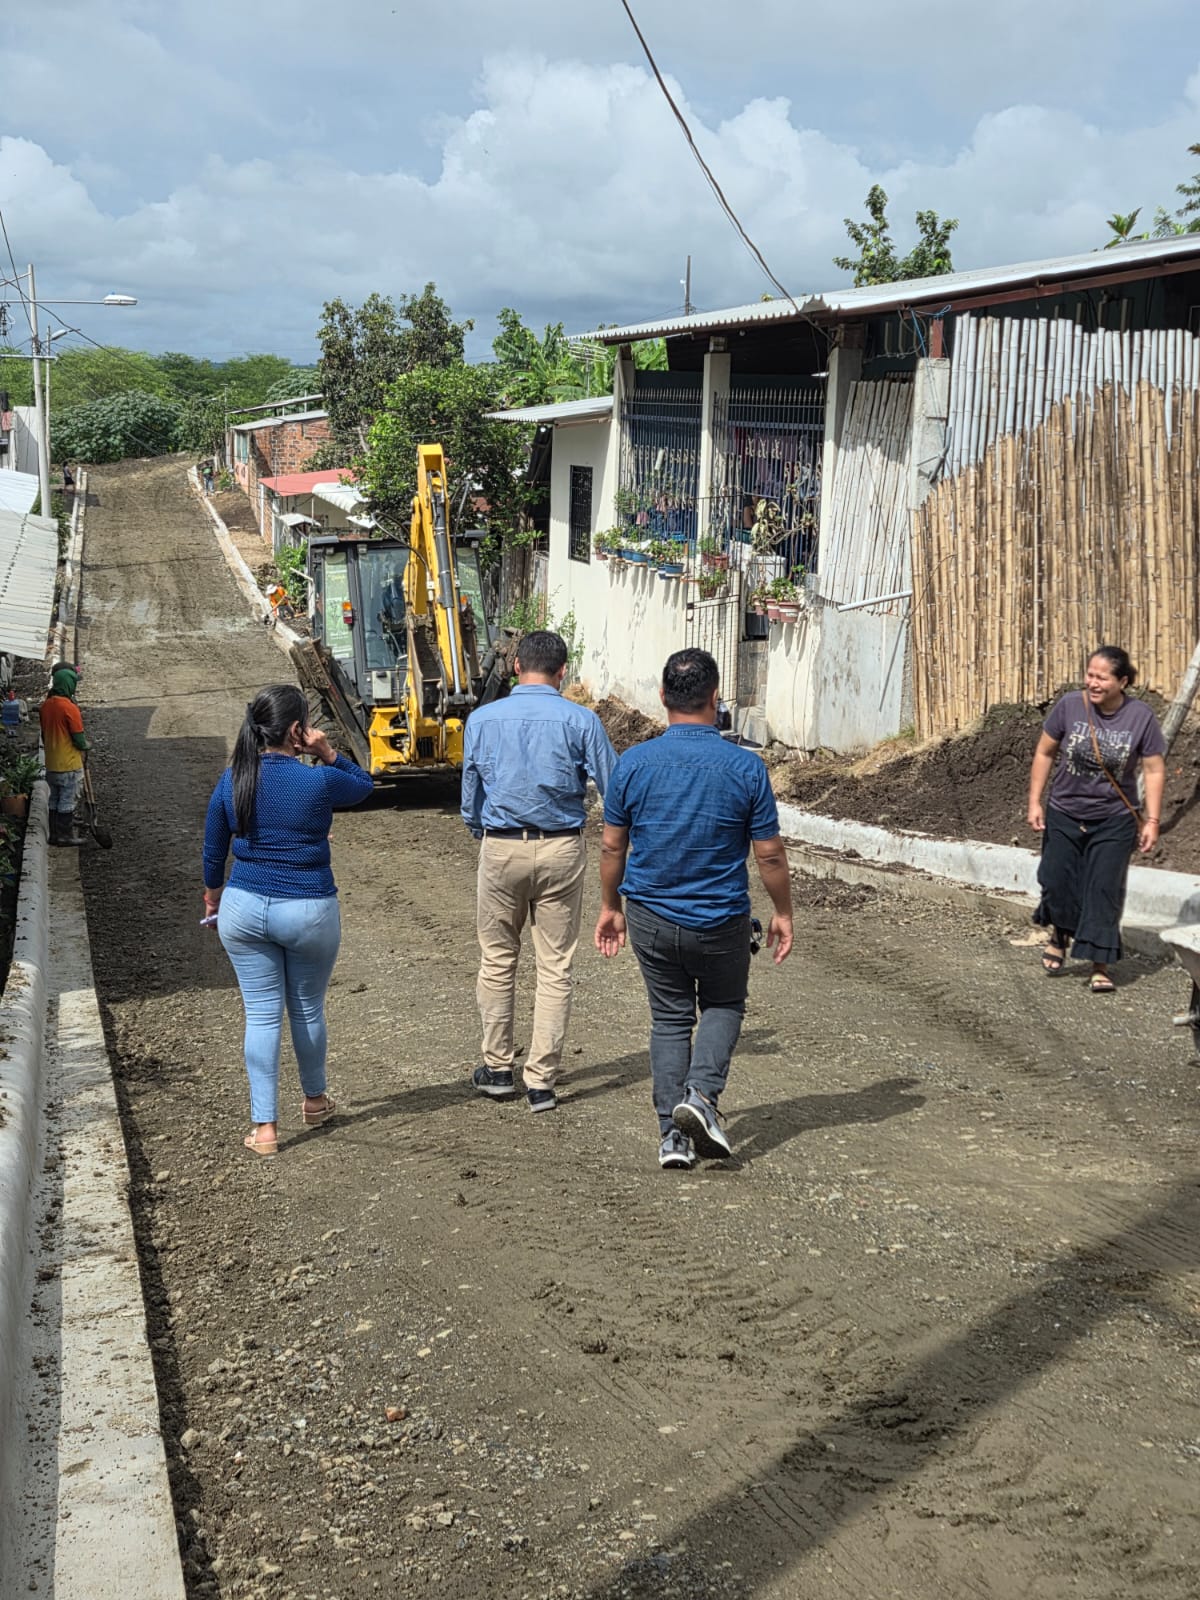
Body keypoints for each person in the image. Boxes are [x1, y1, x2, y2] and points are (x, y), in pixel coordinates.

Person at [595, 648, 794, 1169]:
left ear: (663, 696)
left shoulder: (633, 764)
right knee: (723, 1005)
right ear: (716, 697)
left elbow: (612, 846)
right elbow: (769, 854)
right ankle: (701, 1097)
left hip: (651, 916)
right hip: (721, 919)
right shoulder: (746, 767)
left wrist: (609, 906)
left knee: (669, 1018)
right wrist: (783, 912)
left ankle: (672, 1137)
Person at [203, 684, 373, 1155]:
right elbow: (364, 787)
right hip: (308, 908)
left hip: (243, 906)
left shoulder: (233, 779)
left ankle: (265, 1129)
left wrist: (213, 899)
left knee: (260, 1015)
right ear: (298, 730)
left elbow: (213, 849)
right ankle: (315, 1101)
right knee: (307, 1008)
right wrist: (328, 752)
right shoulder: (318, 781)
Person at [461, 630, 616, 1112]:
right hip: (561, 848)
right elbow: (614, 788)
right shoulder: (582, 720)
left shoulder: (481, 720)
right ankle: (542, 1081)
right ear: (562, 672)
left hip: (502, 847)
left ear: (515, 667)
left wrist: (483, 831)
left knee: (497, 959)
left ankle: (497, 1068)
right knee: (555, 965)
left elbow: (470, 795)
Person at [1027, 645, 1165, 993]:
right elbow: (1045, 752)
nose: (1092, 682)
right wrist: (1035, 801)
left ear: (1123, 682)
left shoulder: (1140, 717)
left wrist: (1152, 820)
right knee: (1055, 880)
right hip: (1064, 811)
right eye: (1089, 675)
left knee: (1103, 890)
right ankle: (1060, 932)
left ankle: (1099, 964)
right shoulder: (1070, 706)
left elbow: (1153, 769)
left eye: (1102, 677)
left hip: (1113, 819)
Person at [39, 665, 88, 846]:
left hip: (51, 763)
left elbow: (44, 734)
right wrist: (86, 746)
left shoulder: (46, 706)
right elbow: (79, 738)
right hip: (68, 763)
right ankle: (65, 836)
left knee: (54, 800)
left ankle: (54, 835)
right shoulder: (69, 707)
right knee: (67, 800)